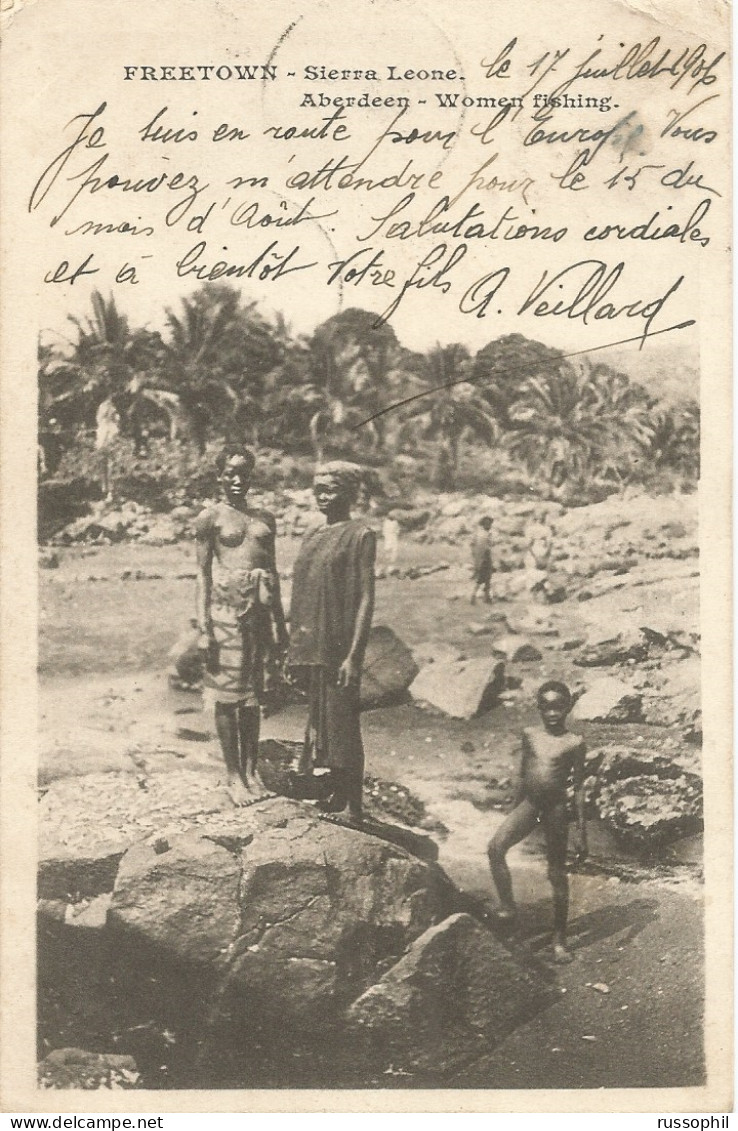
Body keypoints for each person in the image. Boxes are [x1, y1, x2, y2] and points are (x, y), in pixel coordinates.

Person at [195, 445, 288, 806]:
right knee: (226, 697)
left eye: (243, 473)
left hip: (260, 616)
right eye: (230, 472)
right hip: (225, 615)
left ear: (251, 476)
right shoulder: (210, 518)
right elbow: (202, 575)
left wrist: (281, 624)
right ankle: (233, 776)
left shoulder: (265, 518)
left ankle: (251, 772)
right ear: (219, 476)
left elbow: (275, 573)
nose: (237, 479)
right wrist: (204, 629)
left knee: (254, 697)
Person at [288, 461, 376, 827]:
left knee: (343, 724)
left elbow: (366, 598)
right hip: (312, 645)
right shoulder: (312, 534)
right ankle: (336, 793)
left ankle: (355, 808)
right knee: (321, 720)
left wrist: (354, 656)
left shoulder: (360, 535)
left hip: (339, 646)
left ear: (349, 491)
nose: (321, 493)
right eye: (317, 486)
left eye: (330, 487)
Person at [487, 681, 587, 963]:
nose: (553, 713)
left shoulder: (574, 742)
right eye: (547, 707)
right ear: (539, 708)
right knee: (495, 848)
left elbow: (578, 788)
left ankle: (559, 938)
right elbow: (523, 773)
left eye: (559, 707)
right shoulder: (529, 735)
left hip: (555, 809)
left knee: (556, 873)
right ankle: (508, 908)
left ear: (568, 707)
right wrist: (512, 808)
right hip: (530, 805)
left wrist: (581, 832)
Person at [470, 515, 494, 604]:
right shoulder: (487, 534)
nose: (490, 526)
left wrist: (475, 558)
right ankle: (481, 596)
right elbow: (488, 548)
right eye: (489, 524)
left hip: (479, 558)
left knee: (482, 578)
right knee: (486, 578)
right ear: (486, 524)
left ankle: (484, 596)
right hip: (485, 558)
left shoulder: (477, 533)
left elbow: (472, 545)